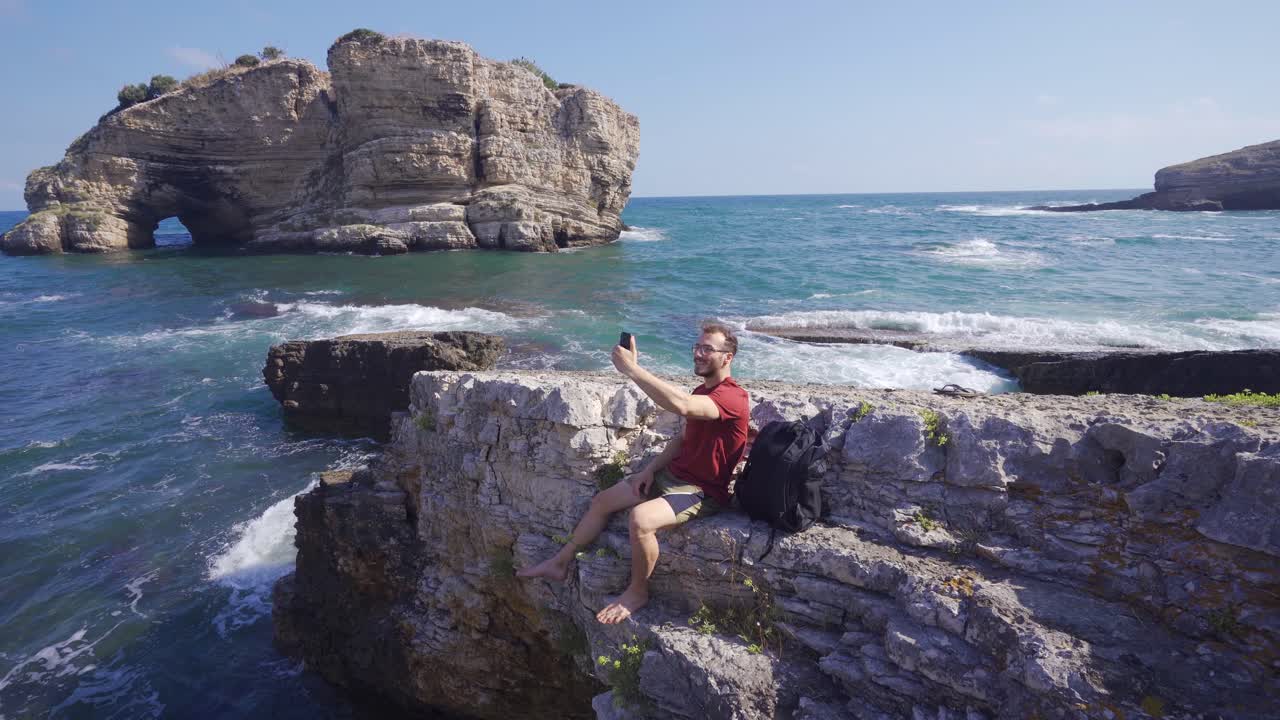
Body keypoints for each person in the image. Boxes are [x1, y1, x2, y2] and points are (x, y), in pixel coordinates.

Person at [517, 323, 750, 624]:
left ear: (727, 358)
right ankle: (559, 563)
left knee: (640, 520)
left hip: (699, 491)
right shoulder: (703, 390)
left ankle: (637, 591)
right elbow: (683, 440)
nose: (698, 354)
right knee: (602, 501)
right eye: (697, 347)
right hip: (671, 476)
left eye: (707, 349)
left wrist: (632, 370)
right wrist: (649, 470)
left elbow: (681, 404)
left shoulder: (733, 397)